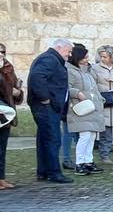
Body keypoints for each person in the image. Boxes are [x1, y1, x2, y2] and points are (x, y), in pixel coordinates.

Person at [27, 38, 74, 184]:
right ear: (59, 48)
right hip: (46, 106)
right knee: (53, 139)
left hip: (47, 106)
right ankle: (54, 173)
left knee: (45, 139)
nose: (70, 55)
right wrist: (45, 97)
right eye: (68, 51)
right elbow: (37, 77)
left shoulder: (50, 58)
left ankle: (44, 171)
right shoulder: (50, 59)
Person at [63, 44, 104, 175]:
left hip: (92, 107)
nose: (87, 59)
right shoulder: (69, 71)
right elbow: (65, 88)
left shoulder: (87, 71)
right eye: (85, 57)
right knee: (85, 136)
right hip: (80, 107)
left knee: (91, 136)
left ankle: (88, 160)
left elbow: (95, 85)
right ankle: (80, 162)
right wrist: (77, 93)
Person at [0, 43, 24, 189]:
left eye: (3, 51)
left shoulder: (8, 68)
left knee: (2, 147)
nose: (1, 54)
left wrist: (17, 92)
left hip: (5, 112)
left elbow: (15, 86)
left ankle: (1, 178)